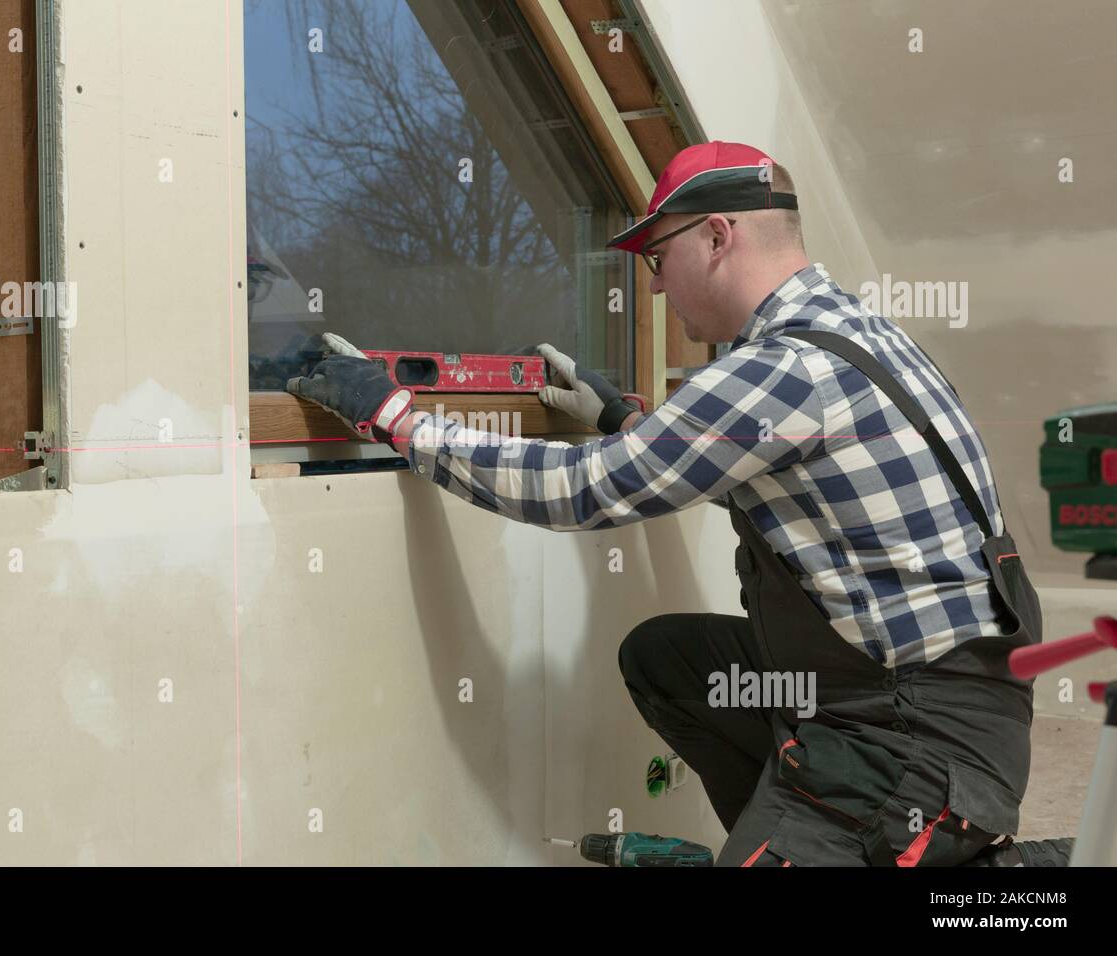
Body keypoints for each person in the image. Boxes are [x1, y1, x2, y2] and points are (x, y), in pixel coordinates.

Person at [287, 141, 1068, 866]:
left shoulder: (781, 368)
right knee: (668, 661)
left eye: (660, 258)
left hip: (913, 745)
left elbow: (582, 491)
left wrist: (396, 419)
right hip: (941, 700)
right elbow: (762, 465)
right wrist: (623, 421)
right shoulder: (850, 332)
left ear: (718, 236)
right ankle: (788, 831)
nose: (655, 285)